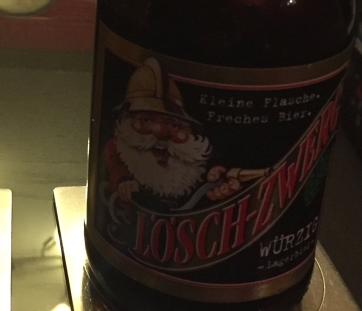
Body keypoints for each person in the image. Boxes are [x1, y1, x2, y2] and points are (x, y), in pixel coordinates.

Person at [104, 59, 265, 212]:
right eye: (145, 119)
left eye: (174, 124)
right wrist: (123, 182)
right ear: (126, 120)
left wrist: (215, 187)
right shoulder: (119, 150)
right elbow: (114, 167)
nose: (161, 132)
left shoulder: (194, 167)